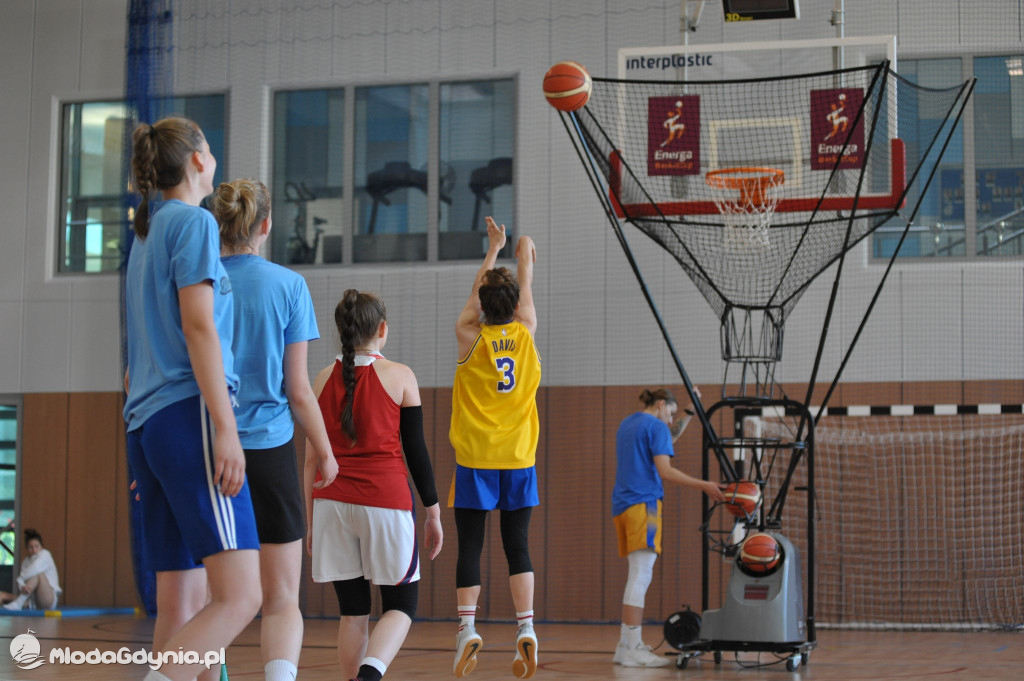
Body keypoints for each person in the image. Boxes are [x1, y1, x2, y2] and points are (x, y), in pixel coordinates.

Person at [123, 116, 262, 681]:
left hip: (150, 426)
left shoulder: (147, 234)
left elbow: (137, 358)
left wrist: (154, 449)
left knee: (180, 604)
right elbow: (199, 328)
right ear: (199, 160)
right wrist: (225, 428)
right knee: (240, 596)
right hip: (189, 417)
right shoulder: (194, 225)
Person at [212, 178, 339, 681]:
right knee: (282, 597)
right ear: (266, 226)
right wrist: (326, 451)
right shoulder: (288, 286)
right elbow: (299, 390)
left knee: (208, 594)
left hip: (207, 450)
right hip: (267, 453)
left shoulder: (195, 283)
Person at [307, 289, 443, 681]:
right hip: (385, 502)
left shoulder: (319, 380)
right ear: (382, 329)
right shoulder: (400, 375)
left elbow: (310, 462)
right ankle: (369, 676)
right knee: (401, 606)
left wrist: (312, 519)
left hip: (330, 504)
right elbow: (417, 453)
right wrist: (432, 511)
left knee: (353, 610)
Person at [449, 217, 540, 679]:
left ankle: (467, 630)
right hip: (519, 459)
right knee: (517, 545)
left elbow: (473, 305)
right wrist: (522, 256)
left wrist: (493, 251)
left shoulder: (470, 337)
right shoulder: (526, 332)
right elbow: (523, 292)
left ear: (482, 305)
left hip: (475, 461)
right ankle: (526, 627)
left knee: (471, 544)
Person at [611, 388, 726, 667]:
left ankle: (625, 645)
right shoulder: (656, 428)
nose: (670, 421)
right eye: (671, 414)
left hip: (623, 506)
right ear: (661, 405)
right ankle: (632, 648)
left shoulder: (628, 423)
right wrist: (705, 485)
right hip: (645, 505)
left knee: (636, 575)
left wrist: (688, 411)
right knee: (640, 576)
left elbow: (668, 437)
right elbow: (665, 471)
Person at [1, 529, 62, 611]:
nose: (34, 550)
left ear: (41, 546)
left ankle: (18, 603)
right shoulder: (26, 561)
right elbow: (23, 580)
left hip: (48, 599)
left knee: (38, 574)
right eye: (31, 547)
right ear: (27, 548)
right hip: (33, 600)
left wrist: (20, 580)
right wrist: (22, 586)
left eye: (37, 546)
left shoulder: (45, 554)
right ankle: (19, 602)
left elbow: (34, 569)